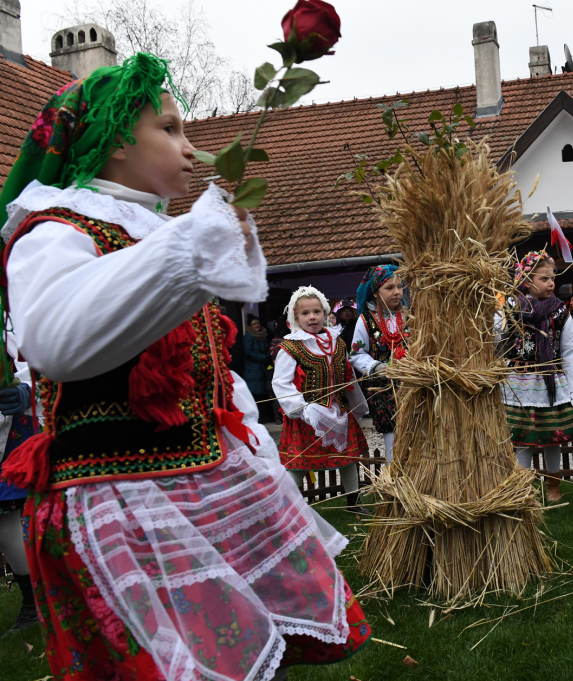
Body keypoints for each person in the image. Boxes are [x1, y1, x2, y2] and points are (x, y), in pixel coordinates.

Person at [0, 54, 370, 680]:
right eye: (168, 129)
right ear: (115, 141)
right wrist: (189, 244)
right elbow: (55, 339)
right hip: (124, 495)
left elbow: (206, 372)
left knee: (249, 655)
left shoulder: (151, 233)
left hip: (203, 482)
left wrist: (248, 443)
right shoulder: (55, 229)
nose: (188, 146)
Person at [500, 251, 573, 502]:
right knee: (522, 438)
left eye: (552, 278)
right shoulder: (510, 308)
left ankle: (553, 484)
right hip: (518, 383)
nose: (551, 283)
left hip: (550, 381)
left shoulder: (560, 312)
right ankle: (522, 486)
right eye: (544, 279)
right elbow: (497, 342)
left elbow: (571, 350)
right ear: (527, 282)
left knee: (552, 437)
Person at [274, 286, 370, 513]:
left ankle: (353, 503)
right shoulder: (290, 346)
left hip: (339, 412)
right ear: (295, 317)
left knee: (348, 459)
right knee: (298, 465)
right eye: (305, 313)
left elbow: (348, 377)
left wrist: (358, 406)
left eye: (317, 311)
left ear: (326, 313)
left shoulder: (337, 343)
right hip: (308, 416)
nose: (312, 317)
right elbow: (281, 382)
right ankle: (285, 510)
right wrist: (301, 408)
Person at [349, 264, 409, 463]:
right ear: (375, 292)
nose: (397, 292)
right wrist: (376, 367)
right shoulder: (365, 320)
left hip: (412, 384)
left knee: (417, 427)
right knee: (392, 431)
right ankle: (396, 476)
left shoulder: (409, 316)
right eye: (389, 288)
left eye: (399, 286)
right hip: (383, 388)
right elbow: (356, 354)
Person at [0, 333, 38, 634]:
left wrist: (27, 389)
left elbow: (41, 344)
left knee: (8, 513)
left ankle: (34, 601)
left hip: (18, 422)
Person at [243, 315, 275, 423]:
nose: (256, 325)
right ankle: (256, 417)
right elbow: (248, 352)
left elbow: (267, 349)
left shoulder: (263, 336)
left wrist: (267, 356)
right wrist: (264, 357)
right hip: (253, 369)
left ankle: (263, 416)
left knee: (263, 394)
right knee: (255, 394)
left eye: (258, 323)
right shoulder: (249, 337)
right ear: (250, 326)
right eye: (254, 324)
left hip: (262, 368)